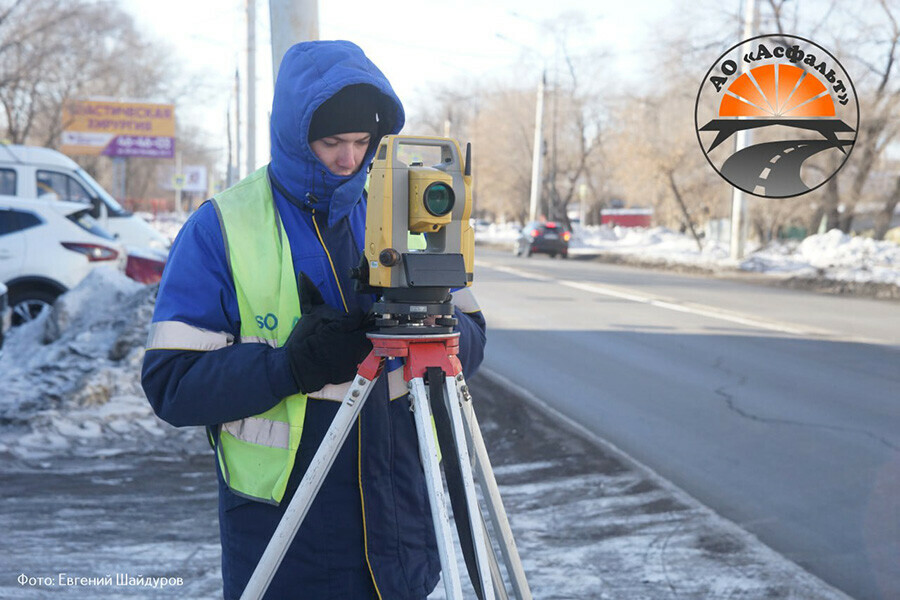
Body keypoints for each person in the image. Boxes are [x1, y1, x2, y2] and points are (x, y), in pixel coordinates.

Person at [141, 40, 486, 600]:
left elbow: (473, 340)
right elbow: (171, 385)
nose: (349, 159)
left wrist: (422, 324)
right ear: (294, 134)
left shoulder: (415, 209)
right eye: (331, 142)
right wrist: (289, 367)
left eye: (361, 142)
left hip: (398, 527)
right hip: (284, 539)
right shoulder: (222, 227)